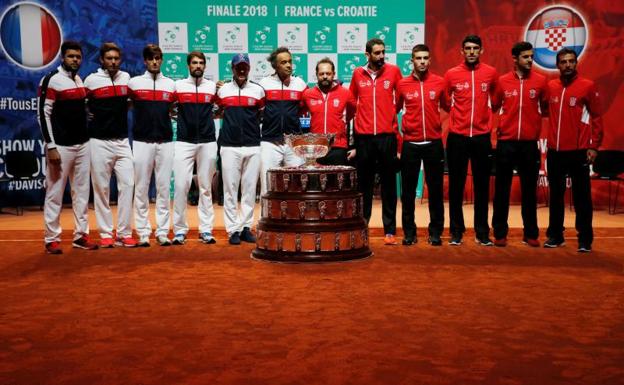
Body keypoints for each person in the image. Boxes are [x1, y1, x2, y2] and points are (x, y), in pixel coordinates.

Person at [38, 40, 98, 254]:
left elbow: (79, 110)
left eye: (78, 57)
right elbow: (42, 115)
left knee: (82, 193)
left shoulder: (79, 80)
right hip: (60, 146)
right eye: (71, 56)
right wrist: (51, 146)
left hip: (83, 144)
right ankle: (51, 238)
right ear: (62, 57)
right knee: (54, 192)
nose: (75, 60)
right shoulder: (51, 80)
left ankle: (81, 236)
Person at [544, 48, 603, 252]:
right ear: (557, 65)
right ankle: (555, 235)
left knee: (581, 197)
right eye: (563, 62)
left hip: (578, 151)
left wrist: (594, 146)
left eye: (571, 61)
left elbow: (596, 117)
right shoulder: (550, 87)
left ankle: (585, 238)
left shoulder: (587, 86)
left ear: (576, 63)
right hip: (555, 152)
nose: (567, 65)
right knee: (556, 196)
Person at [444, 35, 499, 246]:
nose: (472, 52)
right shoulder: (451, 74)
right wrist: (459, 119)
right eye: (468, 48)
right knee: (456, 187)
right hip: (457, 137)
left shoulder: (491, 73)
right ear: (462, 51)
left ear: (481, 50)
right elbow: (446, 102)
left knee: (482, 187)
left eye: (475, 48)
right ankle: (456, 232)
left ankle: (482, 232)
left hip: (481, 138)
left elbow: (495, 101)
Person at [491, 41, 547, 247]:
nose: (530, 60)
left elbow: (546, 107)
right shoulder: (502, 82)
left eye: (531, 56)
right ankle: (499, 233)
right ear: (515, 58)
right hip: (506, 143)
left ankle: (531, 233)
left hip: (529, 145)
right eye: (526, 57)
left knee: (529, 191)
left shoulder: (541, 82)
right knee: (502, 191)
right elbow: (495, 105)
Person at [349, 38, 403, 245]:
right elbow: (352, 100)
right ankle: (362, 227)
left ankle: (389, 230)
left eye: (383, 52)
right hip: (364, 139)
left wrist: (389, 114)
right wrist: (363, 118)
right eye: (377, 53)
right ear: (367, 55)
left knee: (389, 185)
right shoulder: (357, 74)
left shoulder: (393, 71)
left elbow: (400, 99)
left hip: (386, 137)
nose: (381, 57)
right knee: (364, 185)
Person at [84, 42, 137, 248]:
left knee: (128, 185)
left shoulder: (126, 79)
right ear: (101, 60)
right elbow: (81, 102)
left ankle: (124, 233)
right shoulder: (91, 80)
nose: (113, 62)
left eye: (116, 58)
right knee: (102, 189)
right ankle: (106, 233)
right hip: (98, 142)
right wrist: (86, 111)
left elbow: (132, 101)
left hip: (123, 141)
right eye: (109, 58)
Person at [396, 44, 446, 246]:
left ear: (430, 60)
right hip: (411, 144)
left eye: (426, 58)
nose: (422, 62)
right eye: (418, 58)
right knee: (407, 193)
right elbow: (395, 110)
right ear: (412, 60)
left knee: (435, 191)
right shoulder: (402, 84)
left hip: (433, 143)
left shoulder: (439, 82)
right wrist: (401, 141)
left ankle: (435, 232)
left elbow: (448, 106)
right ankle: (409, 232)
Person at [128, 44, 175, 247]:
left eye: (157, 58)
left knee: (164, 189)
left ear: (161, 60)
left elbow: (173, 109)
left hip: (165, 142)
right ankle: (144, 232)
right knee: (141, 189)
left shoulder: (171, 85)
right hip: (141, 142)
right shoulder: (134, 83)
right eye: (150, 58)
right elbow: (125, 105)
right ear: (145, 61)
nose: (154, 61)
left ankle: (163, 232)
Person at [216, 53, 265, 245]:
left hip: (253, 145)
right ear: (233, 69)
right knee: (230, 189)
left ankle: (245, 227)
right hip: (229, 146)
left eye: (245, 66)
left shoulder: (258, 91)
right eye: (238, 66)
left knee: (249, 189)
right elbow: (216, 111)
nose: (242, 70)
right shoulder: (222, 91)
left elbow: (261, 116)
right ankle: (233, 229)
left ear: (250, 68)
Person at [172, 51, 218, 245]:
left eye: (201, 63)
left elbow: (220, 108)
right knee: (181, 186)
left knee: (205, 188)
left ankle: (206, 230)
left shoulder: (212, 87)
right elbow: (169, 108)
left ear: (205, 66)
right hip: (184, 141)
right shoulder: (178, 86)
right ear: (188, 66)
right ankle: (180, 230)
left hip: (207, 141)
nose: (198, 66)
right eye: (194, 63)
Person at [258, 47, 307, 194]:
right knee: (268, 187)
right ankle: (265, 217)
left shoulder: (300, 83)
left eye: (290, 61)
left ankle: (295, 216)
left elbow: (305, 107)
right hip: (269, 142)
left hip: (294, 142)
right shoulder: (264, 84)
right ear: (275, 66)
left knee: (296, 187)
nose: (288, 65)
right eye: (284, 62)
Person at [301, 57, 356, 166]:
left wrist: (353, 145)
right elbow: (299, 112)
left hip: (338, 147)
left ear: (333, 74)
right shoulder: (307, 94)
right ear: (316, 74)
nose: (325, 76)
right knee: (316, 182)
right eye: (321, 74)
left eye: (328, 73)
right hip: (316, 148)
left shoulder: (346, 93)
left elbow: (352, 115)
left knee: (337, 182)